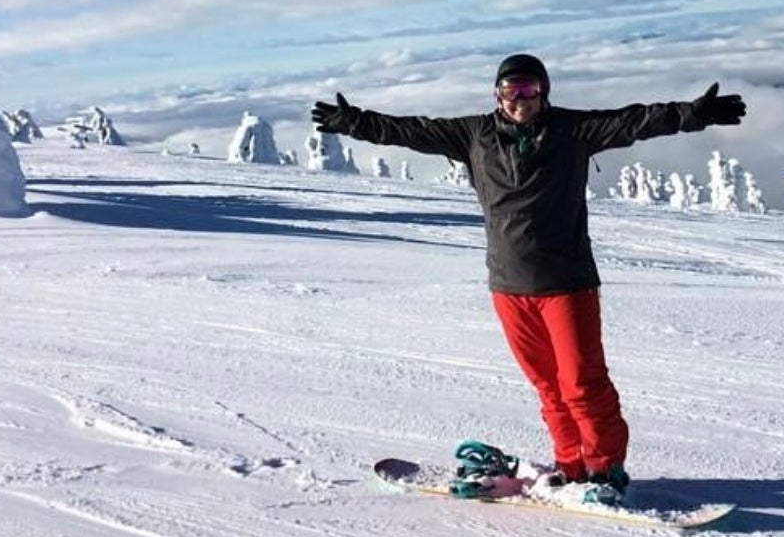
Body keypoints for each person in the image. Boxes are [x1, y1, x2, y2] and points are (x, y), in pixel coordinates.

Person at [311, 54, 746, 503]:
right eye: (512, 91)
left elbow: (632, 121)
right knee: (548, 385)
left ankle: (604, 469)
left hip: (567, 282)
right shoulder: (473, 135)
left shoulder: (571, 131)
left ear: (545, 92)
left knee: (583, 382)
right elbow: (410, 130)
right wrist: (354, 122)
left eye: (530, 91)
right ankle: (570, 464)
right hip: (508, 285)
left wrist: (692, 115)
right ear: (497, 95)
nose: (521, 100)